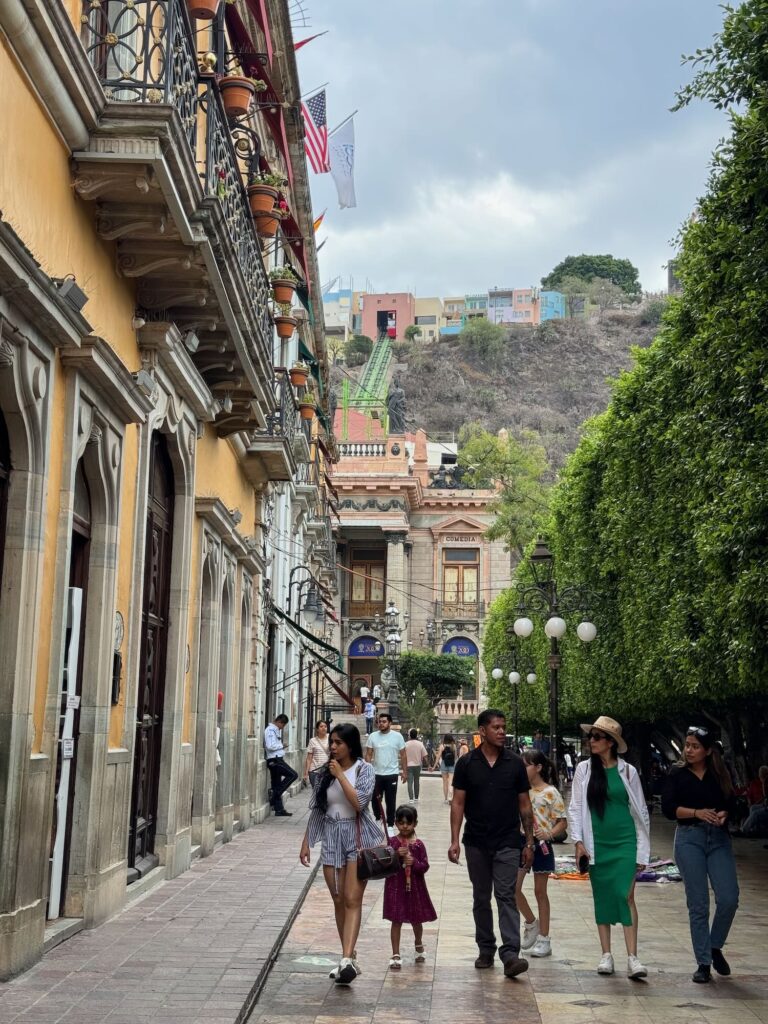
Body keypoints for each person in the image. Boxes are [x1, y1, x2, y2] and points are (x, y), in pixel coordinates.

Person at [449, 709, 534, 979]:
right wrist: (454, 840)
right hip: (476, 840)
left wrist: (529, 841)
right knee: (481, 897)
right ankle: (485, 948)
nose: (502, 732)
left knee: (506, 894)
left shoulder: (515, 763)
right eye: (496, 727)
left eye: (503, 727)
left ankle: (511, 954)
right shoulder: (466, 764)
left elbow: (525, 805)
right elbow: (458, 803)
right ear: (482, 731)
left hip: (508, 840)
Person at [568, 716, 650, 979]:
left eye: (597, 737)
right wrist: (578, 842)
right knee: (602, 894)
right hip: (597, 842)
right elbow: (576, 807)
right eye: (590, 737)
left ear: (611, 743)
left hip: (625, 840)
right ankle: (606, 954)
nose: (591, 741)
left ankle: (633, 957)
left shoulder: (628, 771)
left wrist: (642, 851)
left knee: (626, 895)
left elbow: (640, 810)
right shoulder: (584, 770)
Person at [300, 723, 379, 986]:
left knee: (352, 898)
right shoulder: (325, 774)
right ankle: (349, 952)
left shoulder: (365, 770)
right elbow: (318, 809)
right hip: (331, 836)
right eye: (331, 742)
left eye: (338, 743)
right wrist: (307, 841)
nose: (332, 747)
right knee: (337, 898)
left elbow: (360, 804)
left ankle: (345, 959)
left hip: (356, 838)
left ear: (350, 745)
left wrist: (342, 776)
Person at [661, 726, 740, 983]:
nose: (690, 750)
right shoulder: (677, 773)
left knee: (729, 898)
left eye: (695, 746)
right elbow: (669, 809)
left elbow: (731, 802)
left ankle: (715, 945)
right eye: (687, 745)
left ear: (707, 750)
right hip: (689, 839)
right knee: (699, 904)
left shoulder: (719, 773)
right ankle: (703, 962)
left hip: (718, 838)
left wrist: (724, 814)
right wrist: (697, 812)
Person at [517, 751, 567, 958]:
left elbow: (562, 821)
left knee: (540, 892)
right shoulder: (520, 791)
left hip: (542, 845)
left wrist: (549, 833)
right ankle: (531, 923)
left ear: (538, 767)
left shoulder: (551, 792)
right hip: (521, 843)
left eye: (526, 765)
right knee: (512, 888)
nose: (523, 769)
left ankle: (544, 939)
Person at [384, 804, 437, 970]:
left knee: (416, 919)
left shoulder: (418, 845)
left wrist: (414, 863)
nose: (405, 826)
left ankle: (418, 942)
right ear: (396, 823)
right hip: (396, 887)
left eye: (408, 823)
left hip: (415, 888)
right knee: (396, 919)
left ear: (415, 823)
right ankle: (395, 953)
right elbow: (386, 864)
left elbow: (424, 866)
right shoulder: (393, 843)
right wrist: (394, 855)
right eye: (401, 823)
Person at [365, 712, 407, 830]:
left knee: (391, 800)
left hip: (392, 774)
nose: (381, 724)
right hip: (376, 774)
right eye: (379, 722)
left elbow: (403, 755)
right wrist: (367, 771)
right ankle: (378, 819)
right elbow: (368, 754)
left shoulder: (397, 737)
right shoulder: (373, 736)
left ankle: (390, 824)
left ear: (390, 723)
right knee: (375, 799)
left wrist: (405, 771)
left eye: (384, 722)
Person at [264, 713, 298, 816]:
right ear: (279, 722)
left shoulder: (275, 730)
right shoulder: (270, 730)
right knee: (293, 775)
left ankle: (279, 809)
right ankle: (275, 794)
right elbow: (270, 746)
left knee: (277, 784)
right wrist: (281, 746)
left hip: (277, 758)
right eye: (283, 725)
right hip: (275, 760)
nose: (282, 728)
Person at [303, 720, 330, 789]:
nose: (324, 728)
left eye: (325, 726)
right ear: (317, 729)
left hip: (327, 770)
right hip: (314, 770)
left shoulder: (331, 738)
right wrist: (306, 773)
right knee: (316, 792)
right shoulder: (312, 741)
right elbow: (309, 758)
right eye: (321, 726)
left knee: (326, 791)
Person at [404, 729, 429, 801]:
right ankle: (416, 798)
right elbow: (425, 756)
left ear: (409, 735)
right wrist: (428, 765)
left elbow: (403, 755)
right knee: (416, 781)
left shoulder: (406, 744)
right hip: (417, 765)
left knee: (409, 782)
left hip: (408, 765)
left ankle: (411, 798)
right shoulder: (420, 744)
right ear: (416, 735)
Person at [433, 734, 457, 803]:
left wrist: (434, 766)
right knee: (451, 781)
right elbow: (455, 757)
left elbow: (438, 757)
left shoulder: (442, 746)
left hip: (444, 764)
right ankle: (450, 797)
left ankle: (446, 798)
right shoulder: (454, 746)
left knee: (445, 782)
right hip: (452, 765)